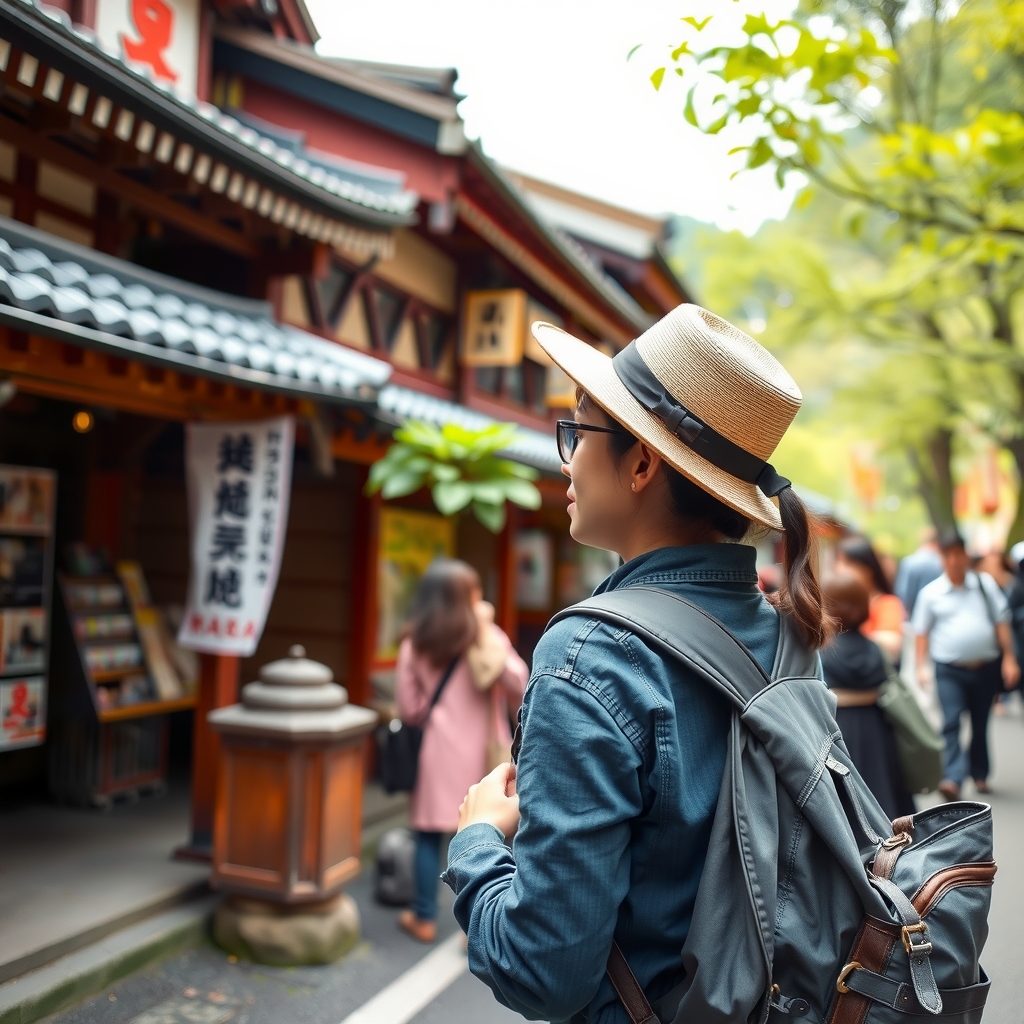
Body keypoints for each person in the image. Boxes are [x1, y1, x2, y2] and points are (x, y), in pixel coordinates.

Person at [442, 304, 829, 1023]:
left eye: (579, 431)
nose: (566, 457)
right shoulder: (789, 633)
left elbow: (542, 971)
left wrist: (474, 841)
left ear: (643, 463)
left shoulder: (591, 656)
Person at [394, 558, 527, 943]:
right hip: (486, 757)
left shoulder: (414, 642)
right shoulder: (486, 637)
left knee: (427, 836)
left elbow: (410, 709)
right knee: (487, 834)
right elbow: (519, 682)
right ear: (468, 597)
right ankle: (478, 926)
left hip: (436, 755)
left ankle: (423, 917)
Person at [913, 533, 1020, 799]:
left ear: (964, 555)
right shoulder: (932, 593)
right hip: (950, 669)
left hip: (985, 667)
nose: (953, 561)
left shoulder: (983, 585)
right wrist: (921, 666)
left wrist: (1009, 658)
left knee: (980, 721)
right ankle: (952, 777)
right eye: (947, 555)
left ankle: (980, 773)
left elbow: (1001, 622)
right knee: (951, 721)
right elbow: (921, 632)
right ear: (942, 558)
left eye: (957, 554)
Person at [820, 572, 914, 819]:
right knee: (882, 790)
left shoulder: (822, 651)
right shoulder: (874, 648)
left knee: (843, 802)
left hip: (836, 728)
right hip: (877, 727)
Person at [835, 535, 905, 663]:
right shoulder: (836, 600)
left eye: (846, 563)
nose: (840, 569)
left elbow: (892, 644)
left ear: (866, 569)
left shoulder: (886, 603)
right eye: (838, 562)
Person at [894, 528, 943, 619]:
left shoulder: (909, 562)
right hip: (938, 616)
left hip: (915, 616)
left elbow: (903, 594)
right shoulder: (941, 563)